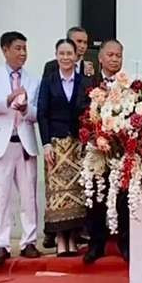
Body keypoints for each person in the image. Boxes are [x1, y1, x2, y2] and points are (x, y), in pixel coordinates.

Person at [0, 32, 40, 266]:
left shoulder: (33, 79)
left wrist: (25, 109)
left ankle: (29, 241)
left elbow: (38, 113)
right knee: (1, 196)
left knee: (29, 195)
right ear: (5, 49)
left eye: (25, 49)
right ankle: (2, 244)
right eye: (18, 48)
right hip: (0, 143)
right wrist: (7, 101)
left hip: (25, 142)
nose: (22, 53)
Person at [37, 38, 91, 257]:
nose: (66, 58)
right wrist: (46, 144)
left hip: (78, 144)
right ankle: (60, 239)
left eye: (70, 53)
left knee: (77, 192)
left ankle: (73, 238)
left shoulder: (84, 81)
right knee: (58, 195)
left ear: (76, 56)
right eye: (62, 53)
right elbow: (42, 113)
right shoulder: (49, 81)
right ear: (56, 55)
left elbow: (89, 111)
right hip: (57, 145)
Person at [85, 38, 130, 264]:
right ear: (100, 58)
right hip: (97, 150)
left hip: (120, 150)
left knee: (122, 198)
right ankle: (96, 245)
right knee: (97, 196)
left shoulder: (129, 86)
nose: (114, 59)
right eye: (110, 55)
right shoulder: (90, 83)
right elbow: (82, 115)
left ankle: (125, 243)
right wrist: (94, 135)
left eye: (118, 55)